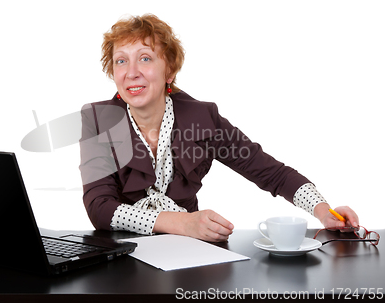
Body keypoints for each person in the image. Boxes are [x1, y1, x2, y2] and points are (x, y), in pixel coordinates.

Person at [79, 14, 359, 242]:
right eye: (121, 60)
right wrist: (183, 222)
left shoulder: (203, 118)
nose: (131, 72)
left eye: (145, 58)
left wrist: (324, 210)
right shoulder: (96, 119)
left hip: (188, 255)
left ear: (170, 70)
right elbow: (99, 207)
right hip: (121, 255)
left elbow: (271, 172)